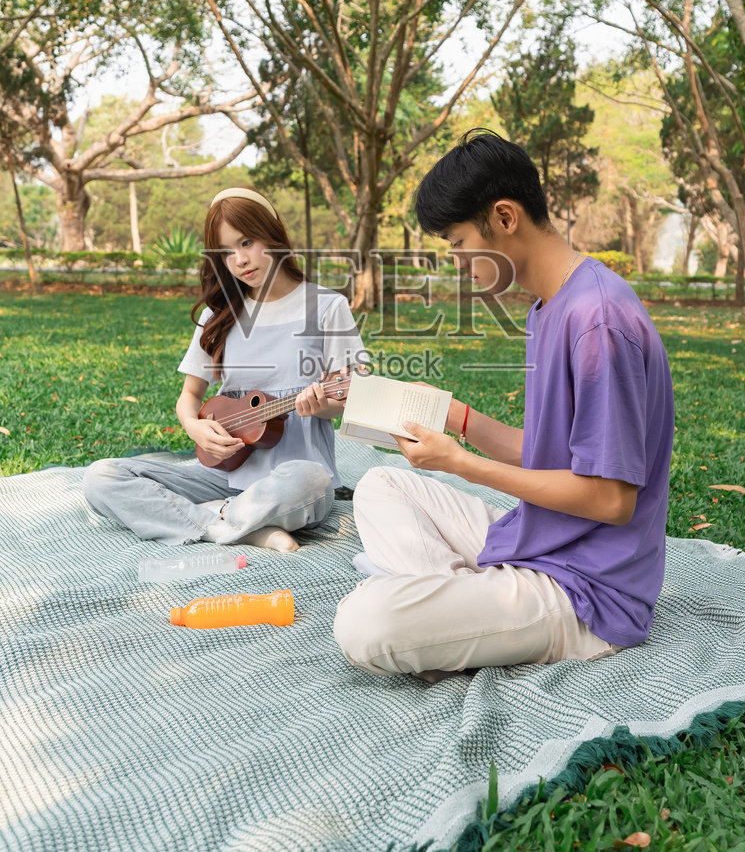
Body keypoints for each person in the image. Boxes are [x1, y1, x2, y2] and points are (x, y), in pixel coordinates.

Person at [333, 129, 673, 678]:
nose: (458, 262)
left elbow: (611, 500)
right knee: (380, 485)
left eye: (460, 243)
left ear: (505, 217)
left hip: (588, 592)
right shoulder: (549, 304)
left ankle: (457, 611)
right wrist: (456, 417)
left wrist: (461, 464)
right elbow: (552, 454)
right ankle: (464, 608)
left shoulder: (598, 321)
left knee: (364, 623)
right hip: (543, 537)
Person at [83, 188, 369, 552]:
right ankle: (231, 526)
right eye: (226, 252)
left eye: (247, 242)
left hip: (291, 481)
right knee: (102, 477)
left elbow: (347, 394)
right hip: (221, 474)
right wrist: (194, 426)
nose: (239, 260)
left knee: (312, 480)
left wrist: (322, 405)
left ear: (273, 234)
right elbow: (191, 395)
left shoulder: (327, 306)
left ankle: (202, 518)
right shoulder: (216, 316)